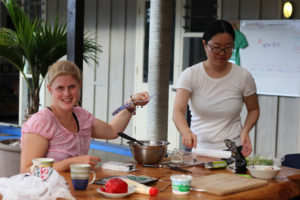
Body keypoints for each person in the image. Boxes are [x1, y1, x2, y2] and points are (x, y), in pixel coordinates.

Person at [20, 60, 150, 172]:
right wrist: (71, 163)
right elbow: (27, 170)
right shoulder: (41, 121)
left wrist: (132, 103)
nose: (66, 93)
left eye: (72, 87)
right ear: (50, 89)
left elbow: (112, 131)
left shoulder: (81, 116)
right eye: (60, 88)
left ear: (80, 86)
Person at [172, 19, 259, 157]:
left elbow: (253, 109)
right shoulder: (191, 75)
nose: (222, 53)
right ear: (205, 44)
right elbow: (178, 111)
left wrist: (245, 131)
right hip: (199, 149)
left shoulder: (243, 76)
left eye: (228, 47)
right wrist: (185, 131)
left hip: (233, 150)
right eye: (216, 47)